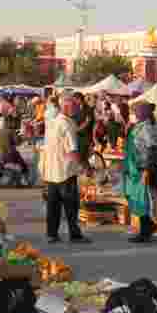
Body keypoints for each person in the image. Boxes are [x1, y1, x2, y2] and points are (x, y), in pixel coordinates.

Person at [42, 95, 91, 244]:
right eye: (76, 107)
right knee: (70, 204)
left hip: (51, 171)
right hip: (65, 170)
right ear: (68, 107)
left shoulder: (54, 122)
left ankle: (52, 234)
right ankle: (74, 234)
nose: (77, 110)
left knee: (53, 205)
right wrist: (83, 167)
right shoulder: (67, 124)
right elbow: (72, 150)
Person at [124, 103, 157, 244]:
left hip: (142, 168)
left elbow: (151, 149)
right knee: (140, 198)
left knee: (142, 200)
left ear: (143, 113)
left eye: (136, 111)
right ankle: (147, 227)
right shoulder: (141, 125)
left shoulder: (146, 127)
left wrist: (146, 170)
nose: (134, 113)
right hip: (136, 167)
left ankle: (146, 230)